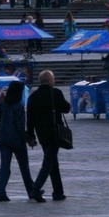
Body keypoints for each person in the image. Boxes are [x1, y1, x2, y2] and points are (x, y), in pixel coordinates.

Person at [0, 79, 41, 202]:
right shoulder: (18, 106)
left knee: (5, 166)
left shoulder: (3, 102)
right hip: (17, 141)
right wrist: (29, 139)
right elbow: (20, 126)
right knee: (24, 168)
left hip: (3, 138)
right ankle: (31, 191)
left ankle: (1, 193)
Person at [26, 70, 71, 201]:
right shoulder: (56, 93)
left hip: (41, 134)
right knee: (48, 163)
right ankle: (35, 189)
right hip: (54, 132)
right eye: (53, 79)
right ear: (50, 81)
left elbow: (30, 119)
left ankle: (58, 192)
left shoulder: (33, 97)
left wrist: (31, 136)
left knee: (52, 162)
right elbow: (66, 108)